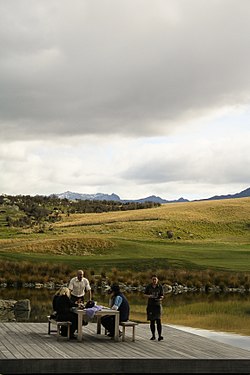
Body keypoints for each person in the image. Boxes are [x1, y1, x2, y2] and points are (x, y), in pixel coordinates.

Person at [144, 275, 164, 341]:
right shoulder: (149, 286)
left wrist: (160, 298)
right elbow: (145, 294)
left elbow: (162, 295)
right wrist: (149, 296)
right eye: (153, 279)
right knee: (152, 321)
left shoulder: (160, 286)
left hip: (157, 305)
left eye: (155, 279)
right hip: (150, 305)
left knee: (158, 320)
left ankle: (160, 335)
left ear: (157, 280)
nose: (154, 281)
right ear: (151, 280)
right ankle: (153, 335)